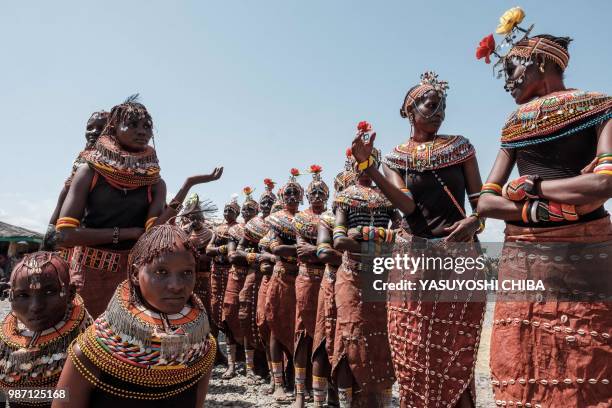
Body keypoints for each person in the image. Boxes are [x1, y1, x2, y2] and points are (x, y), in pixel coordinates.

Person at [475, 7, 611, 407]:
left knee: (587, 363)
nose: (508, 81)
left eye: (513, 69)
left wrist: (534, 185)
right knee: (522, 360)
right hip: (524, 258)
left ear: (540, 61)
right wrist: (548, 208)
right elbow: (484, 202)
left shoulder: (599, 107)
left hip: (582, 256)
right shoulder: (514, 126)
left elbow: (604, 183)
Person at [351, 72, 487, 407]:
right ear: (411, 111)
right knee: (412, 347)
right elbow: (406, 205)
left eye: (442, 106)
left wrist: (475, 222)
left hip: (458, 259)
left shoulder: (461, 147)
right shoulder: (397, 157)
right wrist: (370, 167)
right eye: (430, 105)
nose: (438, 112)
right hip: (413, 263)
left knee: (455, 351)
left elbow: (481, 201)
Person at [54, 95, 222, 317]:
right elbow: (64, 235)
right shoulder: (90, 172)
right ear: (113, 128)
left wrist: (188, 185)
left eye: (147, 126)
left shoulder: (155, 183)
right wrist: (125, 233)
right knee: (89, 339)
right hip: (90, 275)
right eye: (132, 125)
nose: (142, 131)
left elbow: (151, 233)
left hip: (134, 275)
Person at [54, 224, 216, 408]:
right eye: (161, 272)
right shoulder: (91, 351)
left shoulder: (202, 349)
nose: (176, 285)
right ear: (134, 274)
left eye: (187, 273)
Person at [332, 148, 396, 407]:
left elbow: (402, 232)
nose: (365, 166)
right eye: (360, 161)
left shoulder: (388, 198)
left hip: (382, 277)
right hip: (352, 277)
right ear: (352, 165)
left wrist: (363, 234)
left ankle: (380, 403)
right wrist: (380, 238)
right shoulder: (345, 198)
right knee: (351, 337)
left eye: (371, 161)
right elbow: (339, 240)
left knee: (384, 340)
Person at [0, 252, 92, 408]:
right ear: (10, 294)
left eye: (49, 292)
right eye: (23, 295)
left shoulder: (87, 345)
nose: (36, 307)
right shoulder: (6, 338)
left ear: (70, 293)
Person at [312, 156, 357, 407]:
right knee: (327, 339)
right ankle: (321, 400)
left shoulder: (369, 216)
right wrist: (359, 253)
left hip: (362, 283)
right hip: (332, 282)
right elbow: (324, 252)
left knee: (356, 343)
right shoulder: (329, 219)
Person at [42, 110, 109, 256]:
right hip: (75, 227)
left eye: (100, 128)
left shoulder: (120, 162)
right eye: (90, 127)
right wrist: (50, 229)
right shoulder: (82, 159)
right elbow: (66, 193)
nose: (93, 132)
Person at [292, 165, 329, 408]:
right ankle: (300, 395)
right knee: (303, 335)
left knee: (326, 336)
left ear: (327, 196)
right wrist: (323, 252)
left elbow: (334, 251)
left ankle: (322, 396)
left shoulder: (332, 217)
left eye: (320, 193)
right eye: (313, 193)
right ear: (307, 196)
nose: (317, 196)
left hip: (327, 280)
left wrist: (318, 251)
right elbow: (301, 251)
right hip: (306, 281)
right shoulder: (301, 219)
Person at [265, 169, 303, 401]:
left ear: (301, 197)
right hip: (281, 277)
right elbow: (275, 248)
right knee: (276, 328)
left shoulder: (307, 217)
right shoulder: (275, 220)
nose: (291, 196)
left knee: (301, 329)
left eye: (295, 193)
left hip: (304, 279)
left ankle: (300, 382)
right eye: (287, 193)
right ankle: (278, 383)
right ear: (282, 196)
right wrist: (305, 252)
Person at [237, 180, 277, 383]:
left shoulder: (281, 221)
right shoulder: (254, 225)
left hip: (275, 276)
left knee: (271, 320)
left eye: (271, 200)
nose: (268, 204)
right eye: (265, 201)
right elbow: (238, 251)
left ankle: (274, 371)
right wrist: (256, 257)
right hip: (253, 275)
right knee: (247, 317)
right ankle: (252, 367)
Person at [222, 188, 259, 378]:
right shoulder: (235, 230)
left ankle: (250, 367)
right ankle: (231, 366)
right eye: (244, 209)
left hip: (253, 277)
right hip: (235, 277)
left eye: (250, 210)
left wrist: (244, 255)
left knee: (248, 318)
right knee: (230, 316)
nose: (246, 212)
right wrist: (255, 257)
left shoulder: (260, 228)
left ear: (257, 212)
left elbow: (239, 253)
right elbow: (232, 255)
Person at [206, 194, 240, 367]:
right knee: (215, 311)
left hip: (230, 273)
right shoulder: (218, 229)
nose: (227, 212)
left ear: (238, 213)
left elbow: (234, 252)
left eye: (231, 210)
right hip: (216, 274)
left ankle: (233, 361)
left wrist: (220, 250)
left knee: (229, 313)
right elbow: (208, 249)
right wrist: (223, 248)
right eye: (225, 209)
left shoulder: (239, 229)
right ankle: (216, 354)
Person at [178, 193, 217, 319]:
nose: (196, 221)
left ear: (203, 219)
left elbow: (210, 256)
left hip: (204, 276)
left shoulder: (210, 233)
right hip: (185, 274)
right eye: (193, 218)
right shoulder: (183, 231)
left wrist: (196, 257)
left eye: (198, 218)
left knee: (203, 307)